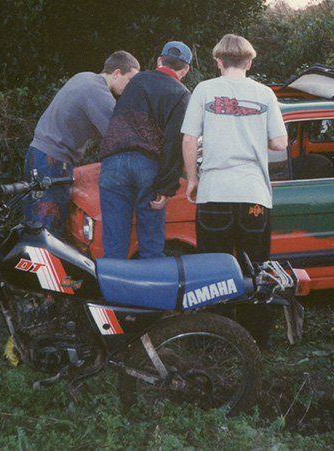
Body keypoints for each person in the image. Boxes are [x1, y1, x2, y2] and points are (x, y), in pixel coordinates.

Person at [181, 34, 288, 348]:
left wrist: (192, 180)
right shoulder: (264, 93)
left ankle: (213, 337)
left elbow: (189, 139)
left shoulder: (204, 90)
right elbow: (280, 143)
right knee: (255, 269)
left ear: (218, 62)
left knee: (212, 268)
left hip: (215, 193)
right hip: (253, 194)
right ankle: (256, 339)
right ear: (250, 62)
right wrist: (255, 135)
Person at [23, 51, 140, 236]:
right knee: (46, 231)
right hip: (53, 161)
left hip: (37, 154)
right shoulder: (98, 92)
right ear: (117, 73)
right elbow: (118, 136)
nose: (131, 87)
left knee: (33, 224)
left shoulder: (84, 77)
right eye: (130, 80)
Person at [97, 41, 192, 259]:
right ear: (185, 69)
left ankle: (114, 292)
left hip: (113, 163)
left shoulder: (137, 80)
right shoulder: (182, 95)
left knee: (113, 246)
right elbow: (174, 143)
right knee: (151, 245)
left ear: (159, 61)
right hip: (147, 166)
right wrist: (166, 187)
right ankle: (152, 291)